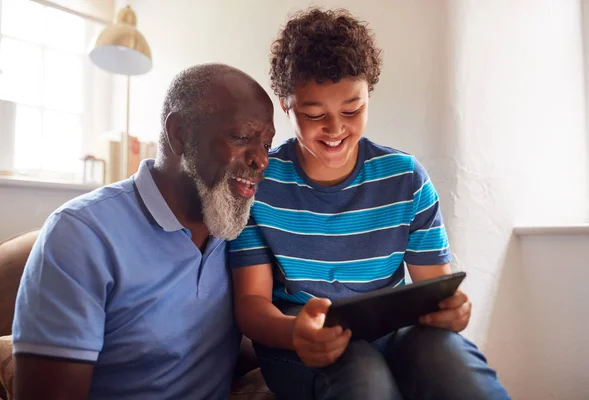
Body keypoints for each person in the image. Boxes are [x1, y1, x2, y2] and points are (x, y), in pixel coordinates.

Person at [229, 9, 511, 400]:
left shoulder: (405, 179)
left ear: (368, 94)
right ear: (286, 103)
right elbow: (252, 303)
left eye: (352, 109)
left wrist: (453, 312)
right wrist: (295, 332)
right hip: (298, 336)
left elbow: (433, 290)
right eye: (314, 114)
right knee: (364, 375)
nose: (335, 129)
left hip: (391, 329)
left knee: (451, 362)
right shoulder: (261, 184)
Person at [12, 63, 275, 400]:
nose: (261, 160)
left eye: (267, 145)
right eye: (240, 137)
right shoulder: (80, 235)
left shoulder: (241, 233)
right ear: (180, 133)